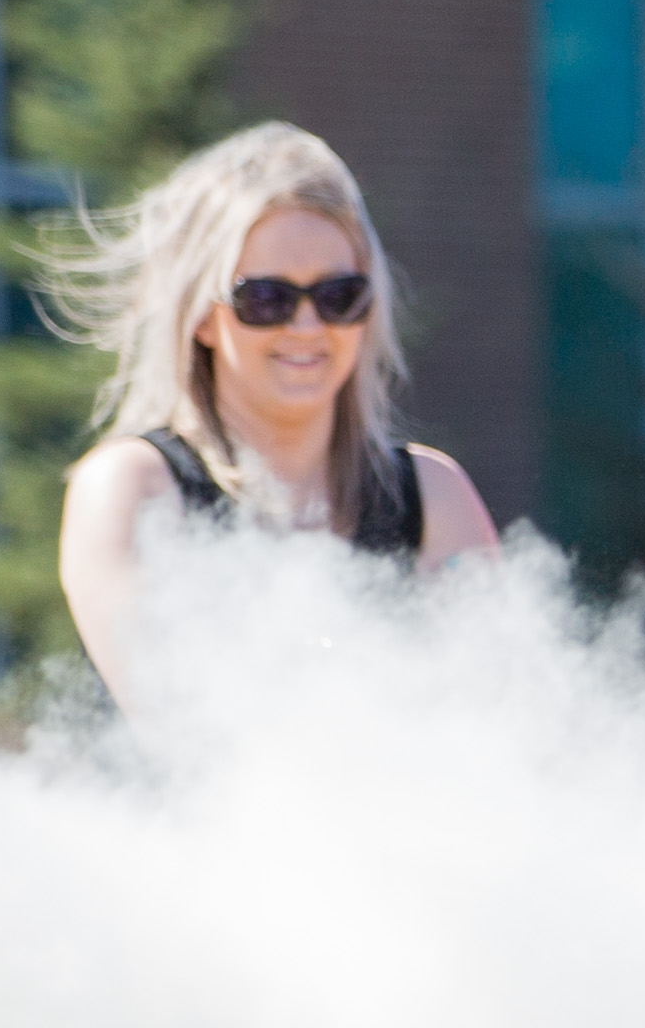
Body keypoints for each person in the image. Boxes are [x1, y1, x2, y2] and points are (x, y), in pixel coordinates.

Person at [52, 121, 500, 706]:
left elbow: (498, 717)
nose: (307, 327)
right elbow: (176, 721)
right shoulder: (131, 487)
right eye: (266, 299)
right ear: (202, 317)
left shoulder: (433, 496)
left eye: (339, 296)